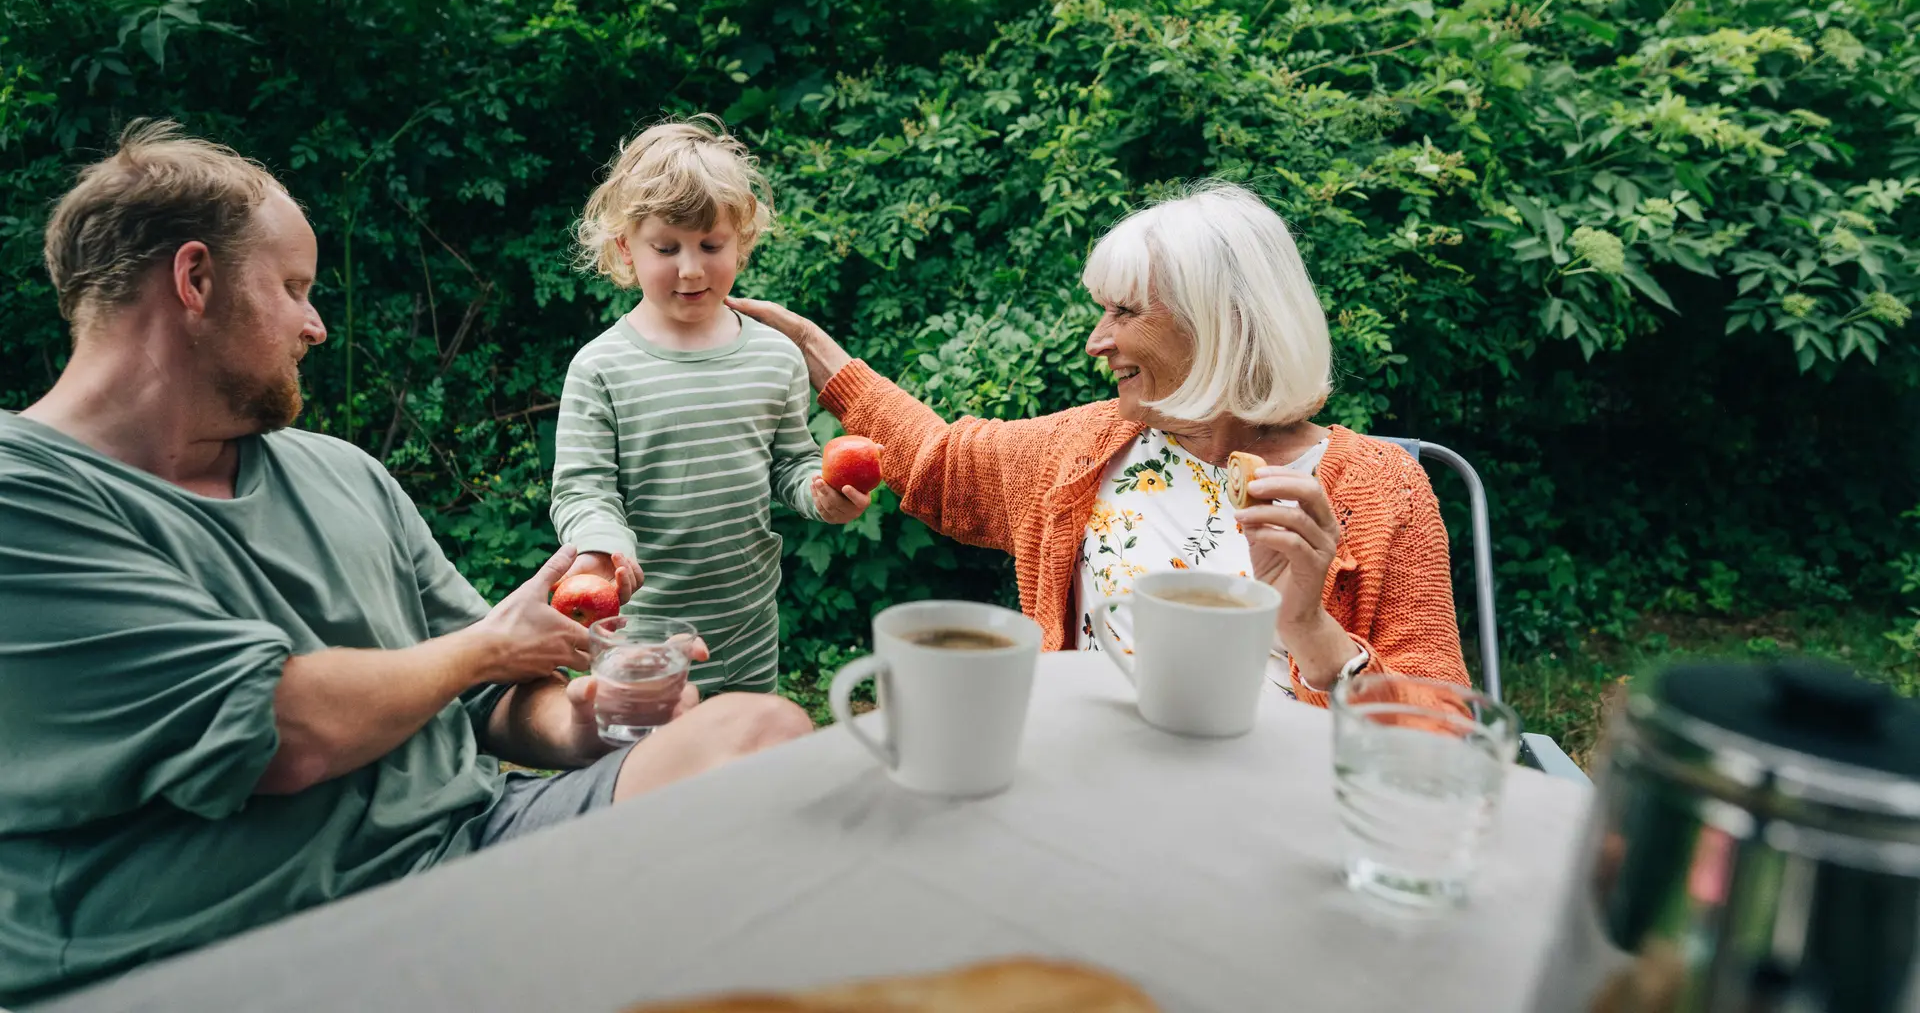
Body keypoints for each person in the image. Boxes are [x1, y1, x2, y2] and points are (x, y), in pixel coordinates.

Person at [0, 121, 813, 1005]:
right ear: (195, 279)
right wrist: (488, 648)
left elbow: (491, 701)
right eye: (293, 288)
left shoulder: (343, 474)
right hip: (234, 943)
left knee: (757, 741)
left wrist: (584, 713)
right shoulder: (27, 498)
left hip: (471, 849)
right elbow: (280, 732)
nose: (316, 324)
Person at [733, 181, 1470, 702]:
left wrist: (1309, 631)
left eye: (1124, 312)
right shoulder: (1089, 448)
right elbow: (939, 464)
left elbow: (1439, 733)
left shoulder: (1380, 487)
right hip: (1090, 795)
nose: (1097, 341)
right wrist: (816, 352)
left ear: (1216, 324)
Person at [550, 117, 869, 695]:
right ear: (626, 248)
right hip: (641, 633)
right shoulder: (599, 368)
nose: (691, 268)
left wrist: (822, 497)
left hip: (747, 628)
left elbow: (791, 463)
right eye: (666, 248)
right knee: (651, 776)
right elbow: (582, 489)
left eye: (711, 245)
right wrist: (602, 551)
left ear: (741, 246)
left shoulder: (775, 356)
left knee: (742, 773)